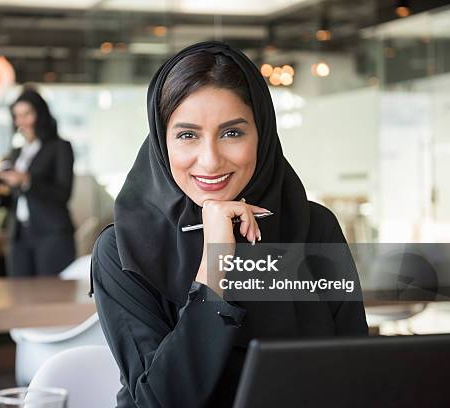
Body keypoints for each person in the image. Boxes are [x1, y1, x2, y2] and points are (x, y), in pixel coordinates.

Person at [90, 41, 368, 407]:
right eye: (187, 135)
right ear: (162, 142)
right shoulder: (123, 250)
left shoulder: (314, 227)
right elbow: (159, 401)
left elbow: (358, 373)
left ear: (262, 135)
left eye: (232, 132)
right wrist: (215, 264)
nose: (210, 160)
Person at [0, 88, 75, 277]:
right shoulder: (16, 153)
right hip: (20, 235)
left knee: (51, 297)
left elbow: (63, 193)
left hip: (51, 234)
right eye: (17, 116)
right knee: (20, 296)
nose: (21, 122)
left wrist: (27, 181)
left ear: (40, 114)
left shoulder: (60, 147)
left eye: (27, 114)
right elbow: (15, 201)